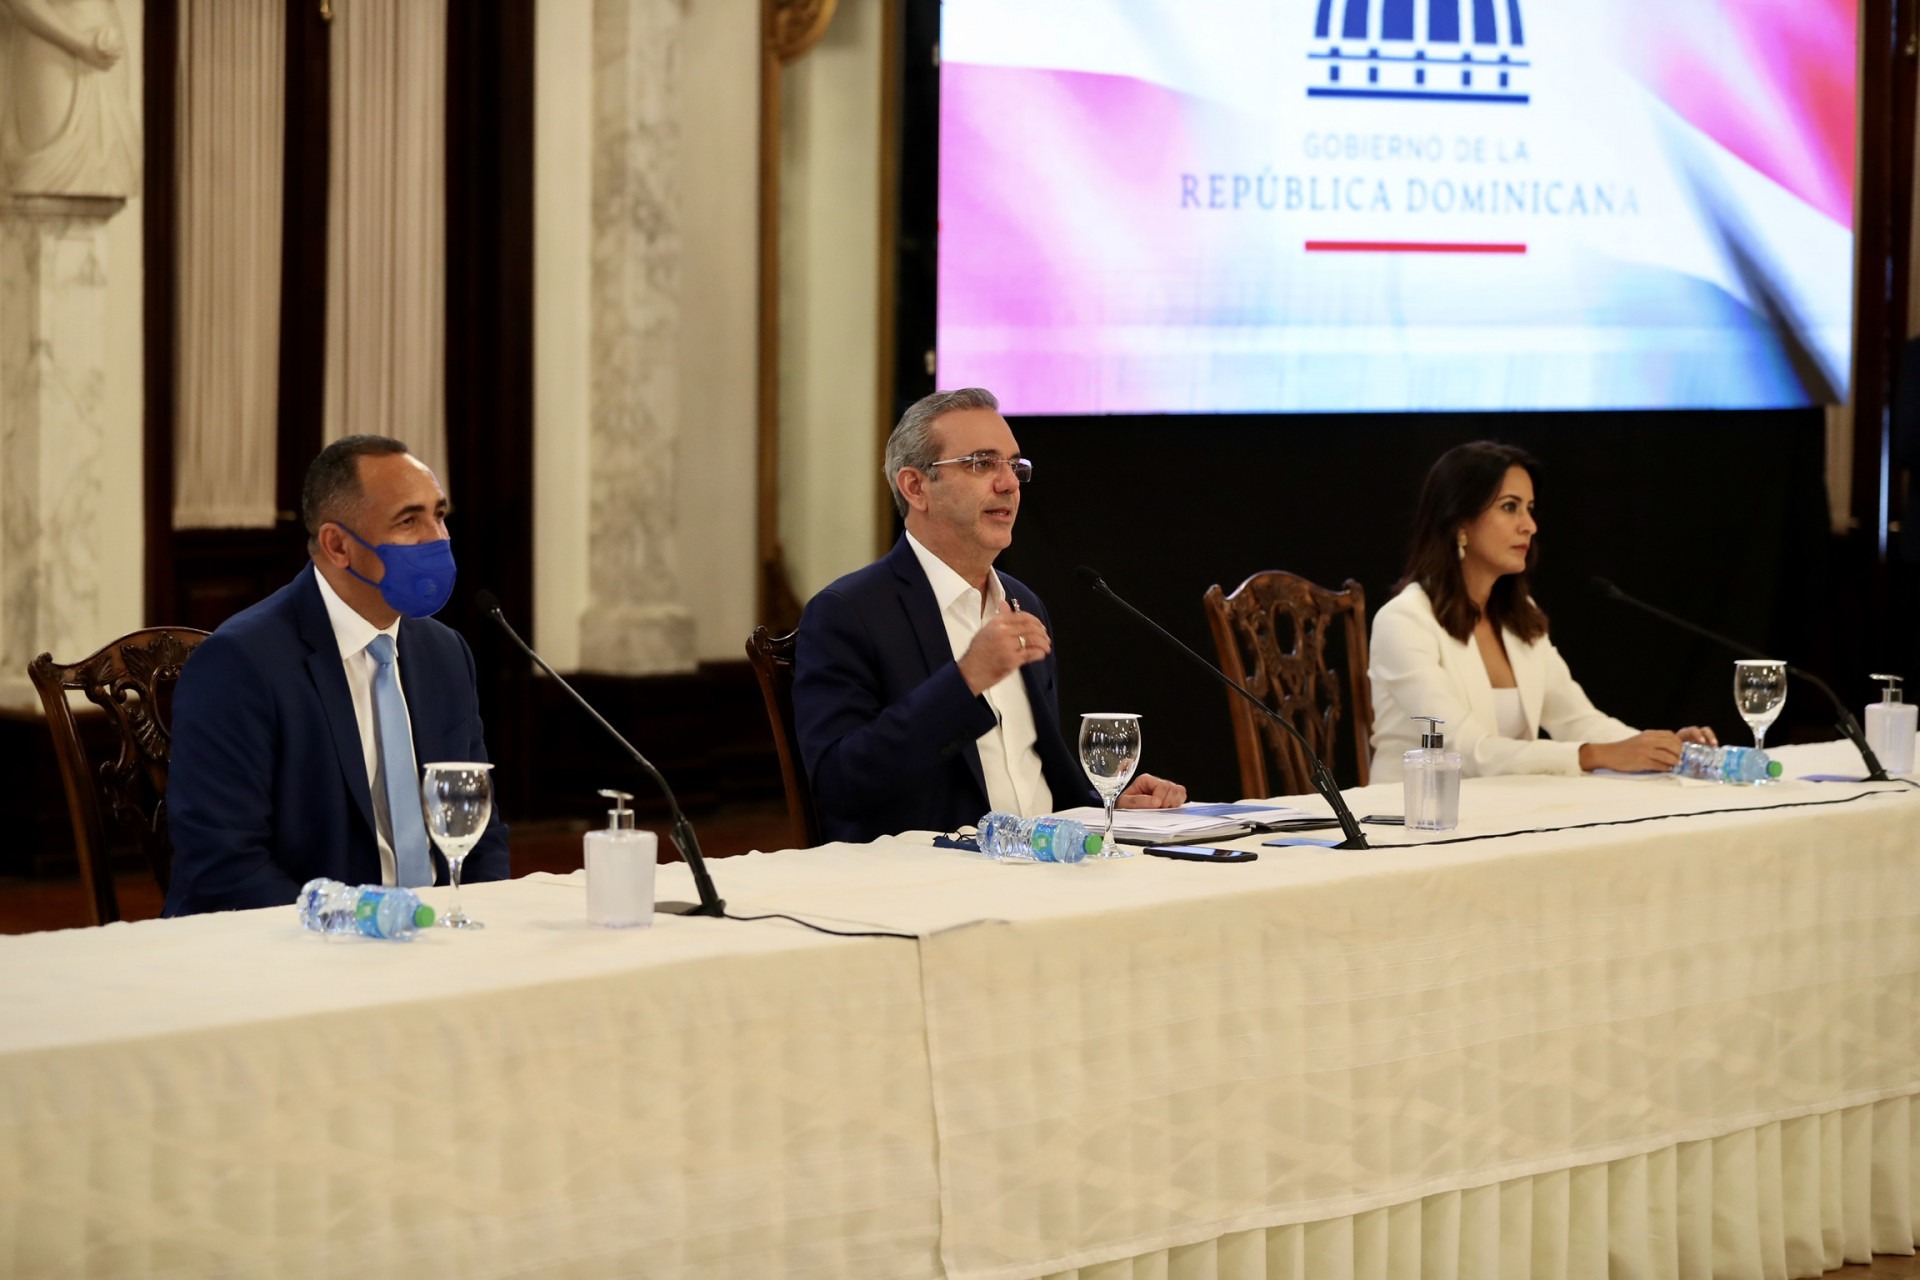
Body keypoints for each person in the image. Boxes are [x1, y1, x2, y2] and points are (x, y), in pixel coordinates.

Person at [793, 387, 1186, 843]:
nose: (1009, 484)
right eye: (982, 463)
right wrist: (965, 681)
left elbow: (1033, 772)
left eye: (1014, 466)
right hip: (935, 871)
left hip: (1046, 861)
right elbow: (839, 784)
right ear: (916, 487)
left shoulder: (1023, 603)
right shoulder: (849, 612)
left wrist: (1107, 802)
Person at [164, 436, 510, 915]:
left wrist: (481, 920)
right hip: (298, 940)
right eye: (409, 521)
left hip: (430, 936)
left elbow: (480, 831)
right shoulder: (240, 663)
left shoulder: (444, 653)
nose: (437, 539)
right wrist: (363, 926)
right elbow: (224, 862)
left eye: (439, 515)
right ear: (337, 545)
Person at [1368, 441, 1716, 782]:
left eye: (1530, 508)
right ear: (1460, 521)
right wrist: (1591, 755)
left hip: (1502, 807)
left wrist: (1658, 748)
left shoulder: (1520, 616)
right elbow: (1464, 750)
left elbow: (1577, 720)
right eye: (1509, 507)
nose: (1529, 526)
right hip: (1410, 812)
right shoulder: (1404, 621)